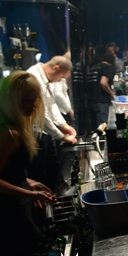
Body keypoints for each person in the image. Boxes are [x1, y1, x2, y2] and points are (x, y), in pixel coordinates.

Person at [0, 71, 56, 256]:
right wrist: (28, 192)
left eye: (34, 100)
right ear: (10, 101)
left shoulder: (3, 127)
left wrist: (30, 183)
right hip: (6, 211)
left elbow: (10, 171)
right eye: (26, 100)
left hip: (9, 208)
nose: (32, 106)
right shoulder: (9, 133)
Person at [27, 56, 77, 191]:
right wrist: (62, 136)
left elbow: (51, 104)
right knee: (40, 174)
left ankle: (52, 196)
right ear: (56, 68)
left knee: (53, 169)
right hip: (35, 133)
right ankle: (42, 200)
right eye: (62, 77)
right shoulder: (33, 78)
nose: (60, 80)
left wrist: (63, 125)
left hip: (45, 132)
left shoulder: (45, 77)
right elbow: (40, 116)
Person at [88, 51, 115, 128]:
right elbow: (103, 82)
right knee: (102, 128)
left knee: (94, 129)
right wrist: (111, 93)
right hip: (102, 101)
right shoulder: (107, 68)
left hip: (91, 101)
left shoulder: (93, 68)